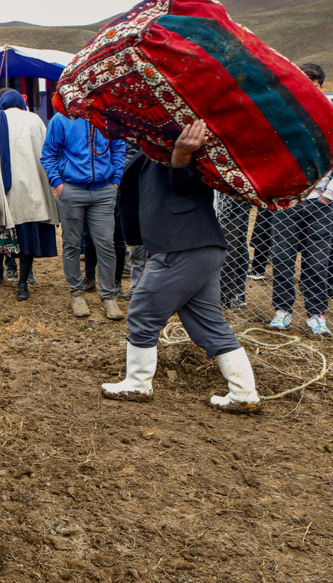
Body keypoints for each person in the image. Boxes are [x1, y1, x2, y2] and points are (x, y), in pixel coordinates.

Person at [102, 120, 260, 410]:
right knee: (208, 324)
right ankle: (244, 393)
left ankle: (137, 384)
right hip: (200, 245)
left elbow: (184, 183)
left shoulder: (178, 147)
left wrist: (181, 154)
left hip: (182, 246)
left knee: (142, 313)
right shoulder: (154, 148)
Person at [267, 63, 333, 336]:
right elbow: (269, 153)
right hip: (288, 200)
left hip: (322, 203)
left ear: (321, 86)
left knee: (318, 262)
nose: (307, 87)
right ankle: (282, 310)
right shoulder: (280, 115)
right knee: (281, 258)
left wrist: (330, 194)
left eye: (313, 83)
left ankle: (316, 314)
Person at [41, 111, 127, 320]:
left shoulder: (109, 117)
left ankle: (108, 296)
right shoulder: (62, 118)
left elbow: (118, 148)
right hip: (71, 189)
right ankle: (77, 293)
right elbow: (49, 154)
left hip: (104, 190)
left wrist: (115, 180)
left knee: (106, 243)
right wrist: (58, 184)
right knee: (71, 243)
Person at [0, 89, 59, 301]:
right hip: (34, 186)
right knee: (28, 235)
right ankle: (22, 284)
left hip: (7, 185)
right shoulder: (35, 120)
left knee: (2, 227)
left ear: (1, 103)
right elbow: (47, 151)